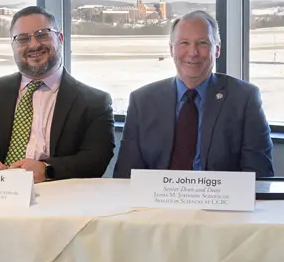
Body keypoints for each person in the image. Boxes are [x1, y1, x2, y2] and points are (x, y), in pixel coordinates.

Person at [0, 6, 114, 181]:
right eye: (23, 39)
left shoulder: (94, 102)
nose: (34, 45)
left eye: (42, 34)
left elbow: (96, 160)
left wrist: (47, 170)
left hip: (58, 198)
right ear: (13, 46)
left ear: (60, 38)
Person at [113, 10, 274, 178]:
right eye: (184, 43)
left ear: (217, 50)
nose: (193, 52)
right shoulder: (142, 101)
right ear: (171, 49)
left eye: (203, 43)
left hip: (221, 202)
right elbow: (126, 177)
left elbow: (259, 175)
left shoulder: (244, 99)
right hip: (156, 202)